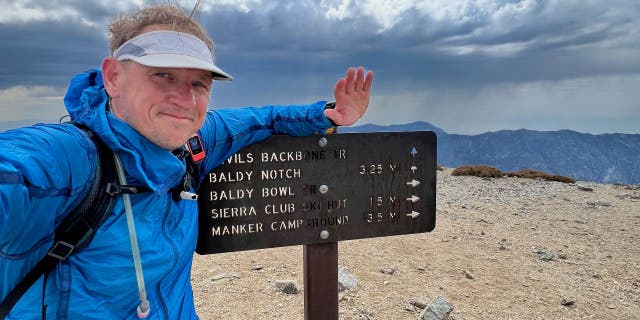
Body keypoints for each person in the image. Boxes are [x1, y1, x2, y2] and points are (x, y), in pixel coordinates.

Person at [0, 4, 373, 320]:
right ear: (113, 77)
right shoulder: (65, 161)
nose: (185, 99)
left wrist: (328, 113)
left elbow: (264, 117)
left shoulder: (192, 142)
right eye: (162, 74)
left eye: (200, 83)